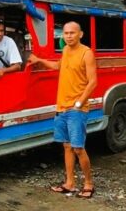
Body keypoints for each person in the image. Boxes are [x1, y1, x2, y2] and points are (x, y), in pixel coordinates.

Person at [28, 22, 98, 199]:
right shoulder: (66, 50)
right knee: (66, 146)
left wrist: (79, 103)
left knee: (78, 148)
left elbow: (93, 82)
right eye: (66, 33)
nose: (68, 36)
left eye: (72, 33)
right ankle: (70, 183)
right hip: (61, 107)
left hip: (76, 109)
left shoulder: (86, 53)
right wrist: (39, 61)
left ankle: (89, 184)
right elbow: (58, 66)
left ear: (80, 34)